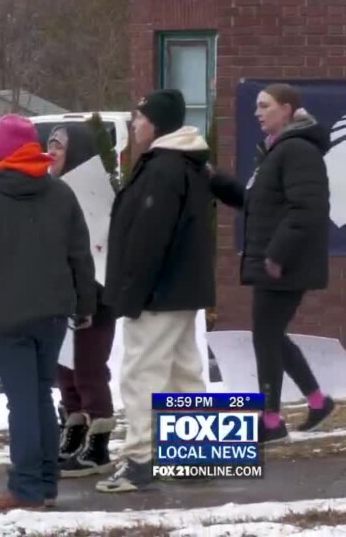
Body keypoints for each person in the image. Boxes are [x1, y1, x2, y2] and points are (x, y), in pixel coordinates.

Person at [0, 114, 97, 511]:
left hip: (2, 320)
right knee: (39, 396)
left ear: (0, 152)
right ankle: (44, 483)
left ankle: (27, 488)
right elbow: (80, 255)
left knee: (24, 402)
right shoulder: (60, 194)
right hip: (52, 316)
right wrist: (84, 305)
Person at [96, 89, 214, 494]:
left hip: (157, 293)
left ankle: (139, 462)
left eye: (140, 118)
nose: (134, 124)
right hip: (182, 289)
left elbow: (148, 239)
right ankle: (197, 457)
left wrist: (131, 295)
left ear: (158, 123)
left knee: (141, 374)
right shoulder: (188, 164)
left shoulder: (162, 169)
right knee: (185, 374)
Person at [209, 83, 334, 443]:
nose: (257, 112)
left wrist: (277, 254)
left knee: (265, 336)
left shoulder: (298, 151)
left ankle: (270, 421)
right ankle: (315, 400)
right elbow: (254, 204)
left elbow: (307, 210)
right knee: (271, 334)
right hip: (276, 261)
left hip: (285, 262)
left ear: (288, 109)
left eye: (265, 106)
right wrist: (214, 180)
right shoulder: (275, 152)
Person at [45, 124, 119, 479]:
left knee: (89, 371)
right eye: (49, 144)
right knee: (67, 373)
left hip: (95, 300)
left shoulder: (93, 192)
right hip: (65, 299)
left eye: (58, 145)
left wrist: (88, 300)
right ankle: (73, 434)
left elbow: (98, 252)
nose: (51, 151)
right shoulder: (55, 190)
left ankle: (99, 447)